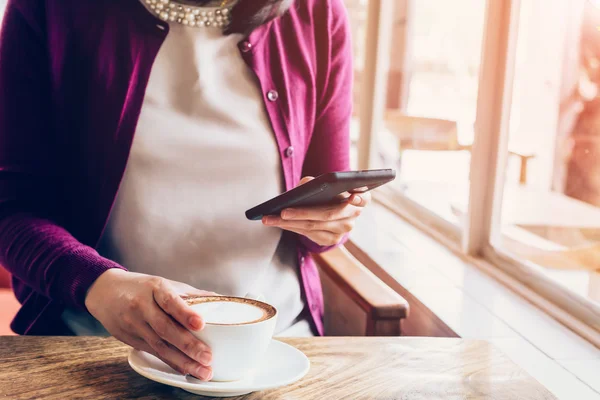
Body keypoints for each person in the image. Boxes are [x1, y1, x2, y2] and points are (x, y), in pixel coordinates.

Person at [0, 0, 368, 381]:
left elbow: (324, 218)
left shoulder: (319, 14)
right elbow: (11, 206)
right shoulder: (48, 9)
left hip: (273, 350)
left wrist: (331, 224)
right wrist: (96, 283)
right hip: (91, 349)